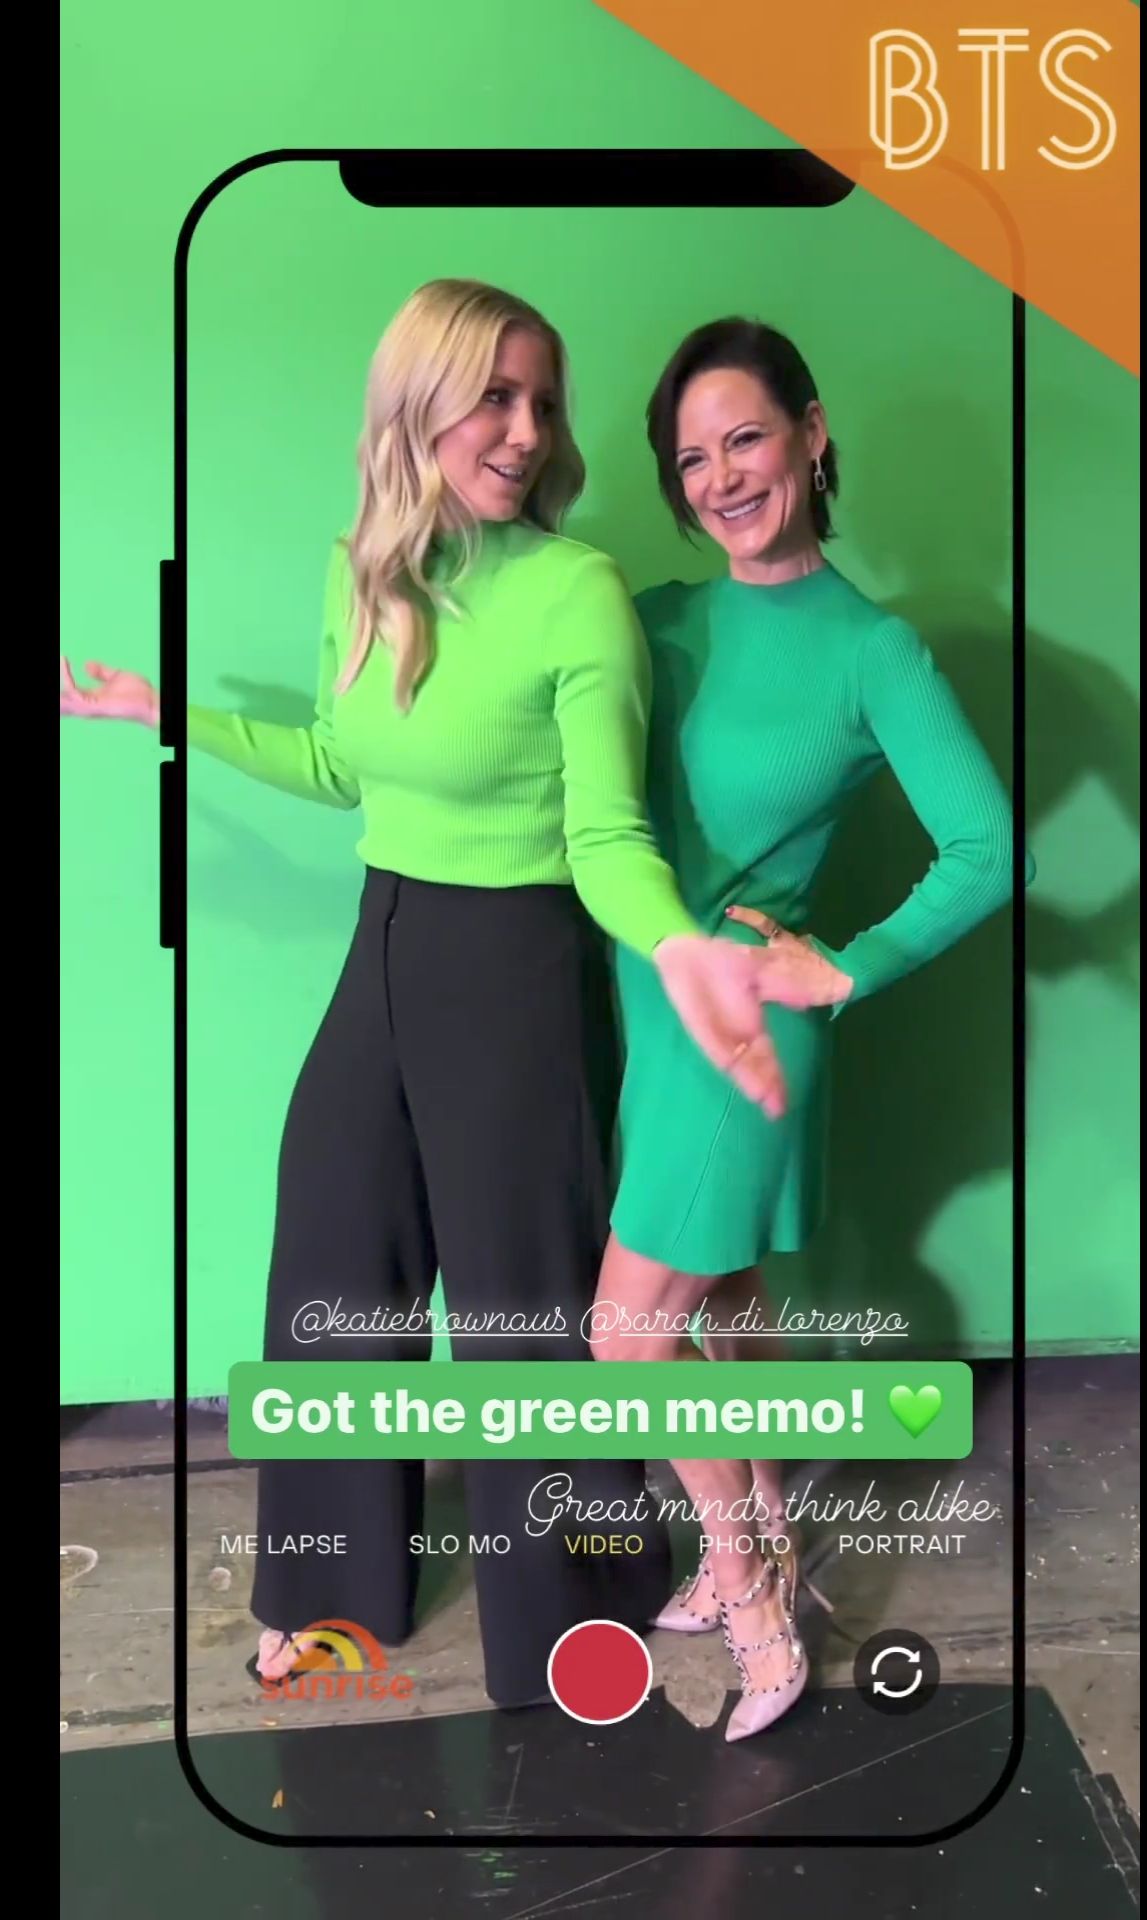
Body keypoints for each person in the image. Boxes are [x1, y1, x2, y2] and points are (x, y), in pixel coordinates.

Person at [59, 279, 839, 1711]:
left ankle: (578, 1607)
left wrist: (676, 947)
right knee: (331, 1260)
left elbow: (605, 835)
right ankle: (327, 1585)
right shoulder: (364, 570)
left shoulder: (575, 590)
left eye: (542, 402)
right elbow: (341, 761)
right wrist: (165, 714)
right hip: (388, 936)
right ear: (417, 406)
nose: (527, 431)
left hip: (519, 964)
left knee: (520, 1308)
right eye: (495, 396)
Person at [590, 316, 1031, 1740]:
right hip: (653, 1013)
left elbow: (990, 848)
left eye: (747, 439)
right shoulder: (655, 616)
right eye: (692, 459)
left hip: (746, 1035)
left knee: (625, 1339)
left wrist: (846, 969)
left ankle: (754, 1596)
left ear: (812, 435)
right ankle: (768, 1530)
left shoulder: (872, 649)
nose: (721, 477)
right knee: (723, 1305)